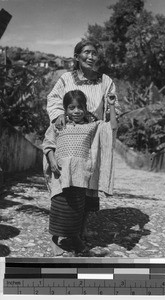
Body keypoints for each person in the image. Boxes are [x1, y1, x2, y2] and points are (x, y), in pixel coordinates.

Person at [46, 39, 121, 238]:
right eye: (86, 52)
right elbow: (53, 99)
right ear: (77, 57)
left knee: (89, 181)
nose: (90, 56)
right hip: (69, 137)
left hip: (93, 137)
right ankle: (61, 227)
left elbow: (114, 109)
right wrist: (58, 115)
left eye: (94, 53)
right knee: (67, 182)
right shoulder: (65, 79)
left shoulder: (106, 81)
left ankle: (81, 226)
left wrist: (101, 118)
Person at [43, 89, 117, 256]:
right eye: (71, 107)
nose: (76, 111)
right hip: (60, 173)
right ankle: (55, 240)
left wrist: (111, 106)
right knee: (60, 205)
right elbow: (48, 144)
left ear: (85, 108)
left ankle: (74, 238)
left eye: (80, 107)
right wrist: (52, 161)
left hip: (81, 174)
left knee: (77, 208)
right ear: (65, 109)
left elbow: (111, 129)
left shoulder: (92, 126)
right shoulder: (59, 125)